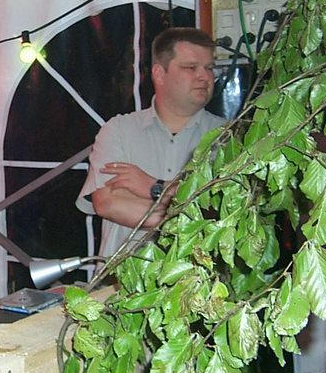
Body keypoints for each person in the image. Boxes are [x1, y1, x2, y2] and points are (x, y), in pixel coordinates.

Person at [76, 27, 226, 257]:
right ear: (159, 74)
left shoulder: (228, 135)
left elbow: (223, 210)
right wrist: (189, 212)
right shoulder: (118, 130)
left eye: (209, 68)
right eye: (190, 67)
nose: (204, 77)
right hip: (121, 278)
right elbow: (108, 203)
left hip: (201, 278)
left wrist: (154, 187)